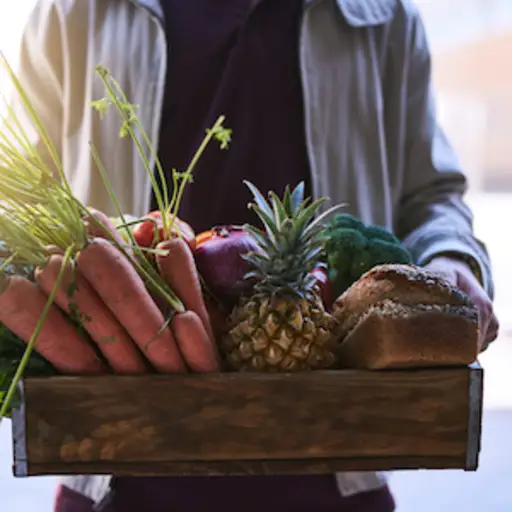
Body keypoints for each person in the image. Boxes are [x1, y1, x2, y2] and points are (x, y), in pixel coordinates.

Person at [7, 0, 499, 510]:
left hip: (338, 475)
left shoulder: (381, 15)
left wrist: (450, 259)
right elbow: (19, 200)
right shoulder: (72, 13)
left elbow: (431, 194)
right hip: (114, 475)